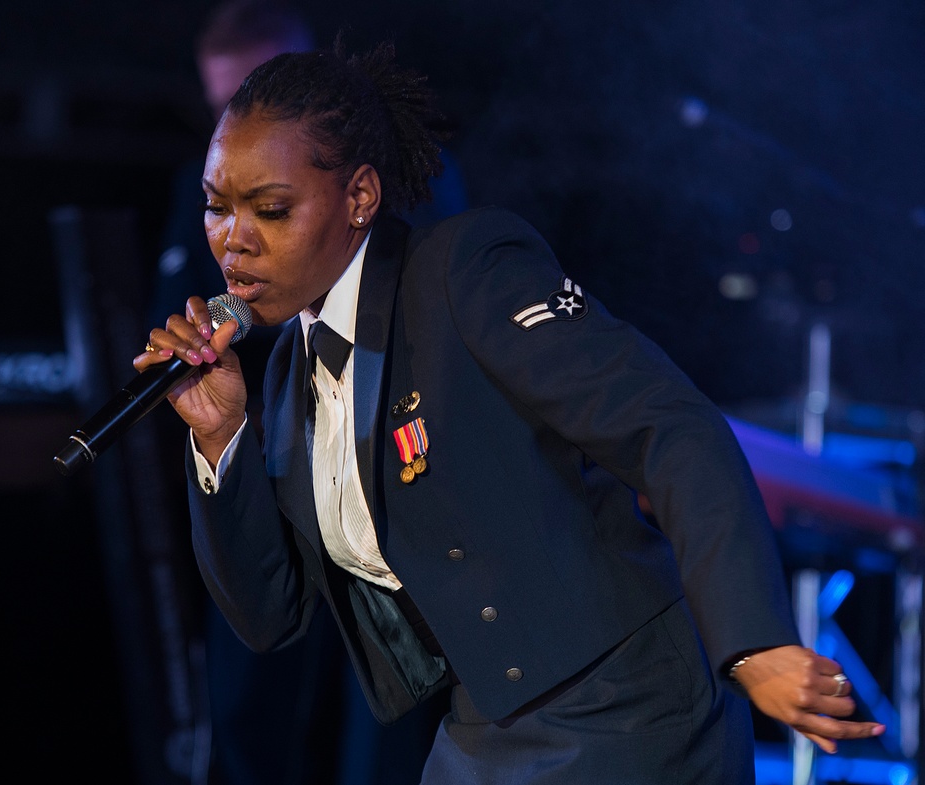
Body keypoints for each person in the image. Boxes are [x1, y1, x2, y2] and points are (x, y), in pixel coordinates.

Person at [135, 39, 885, 783]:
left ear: (359, 196)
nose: (233, 240)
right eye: (215, 206)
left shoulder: (465, 273)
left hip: (626, 705)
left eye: (269, 208)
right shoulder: (288, 373)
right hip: (485, 722)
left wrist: (754, 642)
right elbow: (270, 616)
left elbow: (671, 428)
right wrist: (222, 438)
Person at [148, 4, 461, 783]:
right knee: (251, 693)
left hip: (388, 483)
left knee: (381, 726)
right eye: (219, 100)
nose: (236, 233)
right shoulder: (220, 200)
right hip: (277, 471)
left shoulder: (424, 210)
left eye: (252, 89)